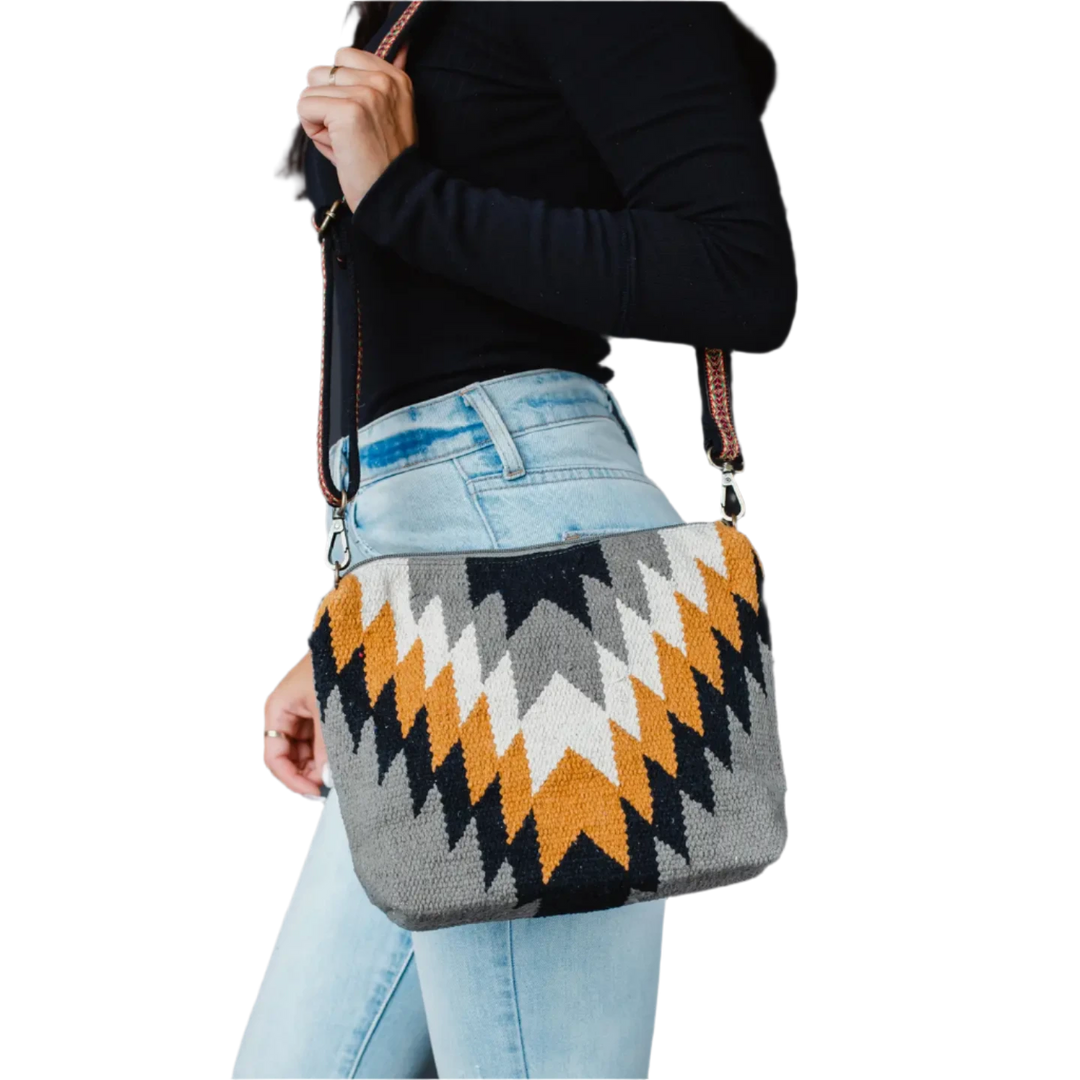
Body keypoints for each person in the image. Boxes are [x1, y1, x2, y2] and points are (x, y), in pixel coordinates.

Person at [233, 1, 797, 1077]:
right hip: (431, 559)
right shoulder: (402, 8)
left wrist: (403, 193)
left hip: (536, 592)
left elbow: (743, 276)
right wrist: (361, 615)